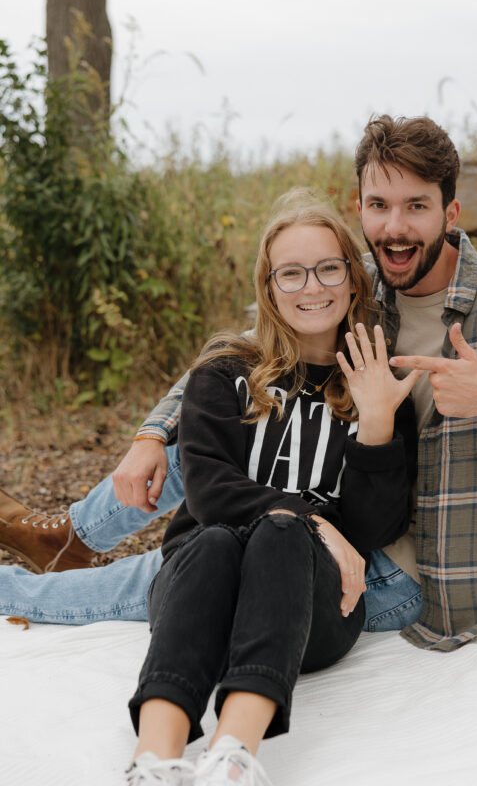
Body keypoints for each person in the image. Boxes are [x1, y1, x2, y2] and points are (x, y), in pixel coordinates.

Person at [0, 114, 477, 651]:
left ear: (451, 211)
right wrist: (150, 431)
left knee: (187, 573)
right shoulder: (351, 278)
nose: (395, 228)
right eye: (379, 207)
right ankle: (73, 535)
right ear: (360, 208)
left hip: (410, 569)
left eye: (417, 206)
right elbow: (248, 351)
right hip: (326, 500)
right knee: (218, 433)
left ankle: (31, 587)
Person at [125, 192, 418, 785]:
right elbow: (208, 493)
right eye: (291, 272)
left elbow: (372, 528)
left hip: (312, 611)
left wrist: (378, 423)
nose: (312, 286)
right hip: (202, 592)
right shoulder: (223, 371)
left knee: (281, 532)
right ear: (269, 285)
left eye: (329, 267)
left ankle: (233, 754)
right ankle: (151, 762)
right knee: (212, 543)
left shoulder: (376, 384)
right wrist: (316, 518)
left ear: (353, 280)